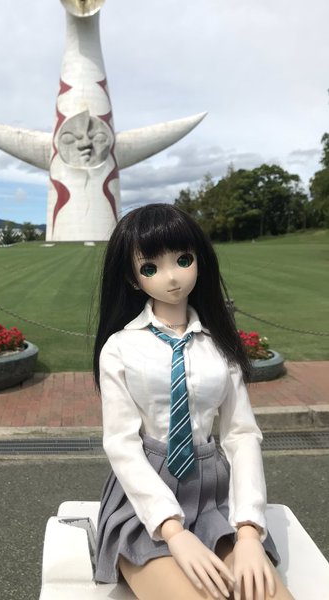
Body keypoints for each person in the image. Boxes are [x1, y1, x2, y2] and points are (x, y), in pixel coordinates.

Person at [93, 204, 294, 600]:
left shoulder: (220, 345)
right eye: (150, 267)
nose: (171, 277)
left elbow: (240, 434)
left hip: (214, 495)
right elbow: (121, 443)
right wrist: (171, 530)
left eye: (183, 260)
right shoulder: (120, 348)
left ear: (200, 260)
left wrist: (248, 531)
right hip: (144, 498)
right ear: (132, 278)